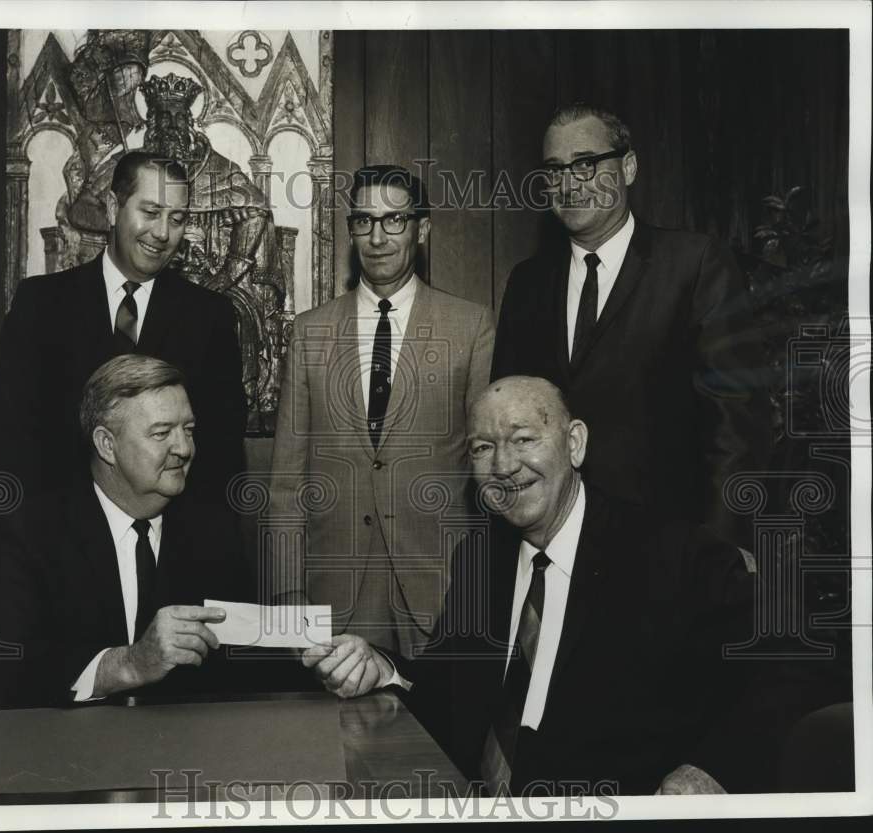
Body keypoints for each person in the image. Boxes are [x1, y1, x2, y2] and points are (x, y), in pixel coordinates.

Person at [304, 376, 768, 795]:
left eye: (523, 439)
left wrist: (710, 770)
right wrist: (380, 667)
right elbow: (447, 695)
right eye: (482, 448)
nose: (504, 465)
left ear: (575, 444)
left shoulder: (670, 553)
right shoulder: (481, 561)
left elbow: (788, 671)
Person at [492, 104, 771, 549]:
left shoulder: (695, 264)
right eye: (554, 170)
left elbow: (735, 425)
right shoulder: (527, 283)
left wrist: (723, 549)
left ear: (628, 166)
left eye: (585, 164)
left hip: (670, 546)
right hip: (554, 546)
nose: (569, 184)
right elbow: (504, 423)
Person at [266, 165, 495, 659]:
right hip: (335, 596)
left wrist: (482, 588)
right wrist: (288, 595)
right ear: (351, 230)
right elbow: (287, 480)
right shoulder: (310, 333)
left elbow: (486, 472)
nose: (378, 236)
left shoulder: (471, 327)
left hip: (441, 590)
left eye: (395, 220)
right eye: (365, 221)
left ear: (422, 229)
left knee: (437, 734)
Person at [0, 355, 252, 707]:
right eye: (161, 433)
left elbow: (245, 657)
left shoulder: (213, 531)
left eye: (188, 430)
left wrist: (317, 658)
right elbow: (8, 671)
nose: (185, 449)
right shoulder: (31, 533)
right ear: (106, 445)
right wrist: (129, 665)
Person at [0, 151, 246, 505]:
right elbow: (10, 445)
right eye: (151, 212)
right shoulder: (40, 306)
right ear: (113, 207)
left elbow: (222, 460)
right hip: (58, 544)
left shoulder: (210, 317)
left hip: (169, 548)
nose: (162, 233)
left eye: (177, 218)